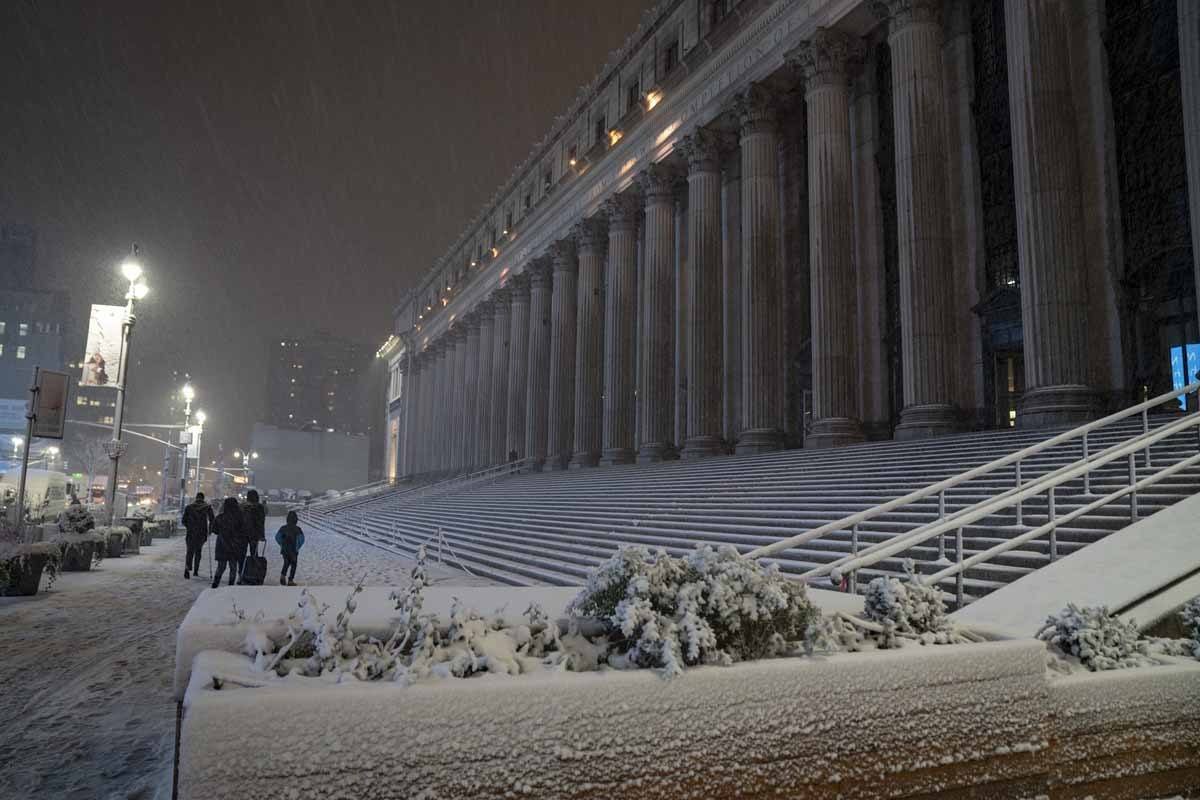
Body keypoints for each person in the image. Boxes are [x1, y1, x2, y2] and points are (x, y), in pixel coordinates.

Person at [211, 497, 245, 588]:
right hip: (235, 545)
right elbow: (243, 530)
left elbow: (214, 530)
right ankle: (230, 585)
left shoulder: (220, 517)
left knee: (221, 567)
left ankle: (215, 583)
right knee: (233, 567)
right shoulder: (240, 518)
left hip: (222, 544)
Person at [182, 491, 215, 579]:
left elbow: (183, 521)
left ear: (196, 498)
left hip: (191, 533)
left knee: (189, 551)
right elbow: (212, 520)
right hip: (201, 533)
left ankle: (187, 569)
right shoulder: (207, 507)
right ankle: (196, 570)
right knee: (198, 551)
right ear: (203, 498)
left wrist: (189, 526)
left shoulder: (189, 507)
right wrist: (210, 530)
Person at [274, 510, 305, 586]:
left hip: (285, 549)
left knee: (286, 563)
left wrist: (281, 544)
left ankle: (282, 576)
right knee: (293, 564)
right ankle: (290, 580)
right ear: (296, 519)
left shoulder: (283, 528)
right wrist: (297, 547)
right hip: (293, 550)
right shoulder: (298, 529)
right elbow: (302, 539)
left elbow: (277, 537)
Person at [240, 489, 267, 571]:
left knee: (242, 554)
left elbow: (238, 520)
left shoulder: (242, 506)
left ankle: (241, 572)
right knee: (254, 554)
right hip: (254, 534)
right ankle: (253, 571)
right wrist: (262, 535)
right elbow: (261, 522)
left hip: (243, 534)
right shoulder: (259, 507)